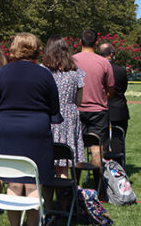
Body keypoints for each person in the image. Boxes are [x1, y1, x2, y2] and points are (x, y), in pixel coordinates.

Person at [0, 32, 60, 226]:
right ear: (36, 49)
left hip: (8, 128)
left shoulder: (3, 72)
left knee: (13, 181)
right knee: (33, 183)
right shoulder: (43, 73)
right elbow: (54, 107)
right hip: (36, 130)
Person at [43, 35, 86, 178]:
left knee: (47, 163)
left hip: (49, 116)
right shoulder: (76, 72)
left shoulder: (43, 71)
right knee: (64, 164)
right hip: (69, 117)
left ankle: (48, 199)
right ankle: (64, 197)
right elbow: (79, 100)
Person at [73, 30, 114, 168]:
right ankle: (99, 184)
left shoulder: (71, 60)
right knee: (97, 150)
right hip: (98, 111)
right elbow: (110, 89)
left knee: (77, 150)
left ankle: (74, 185)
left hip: (76, 110)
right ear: (96, 43)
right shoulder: (104, 62)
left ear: (80, 42)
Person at [97, 42, 129, 155]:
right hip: (118, 108)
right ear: (111, 54)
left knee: (100, 141)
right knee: (118, 140)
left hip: (99, 109)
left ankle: (102, 164)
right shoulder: (120, 70)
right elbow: (123, 88)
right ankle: (118, 166)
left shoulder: (96, 69)